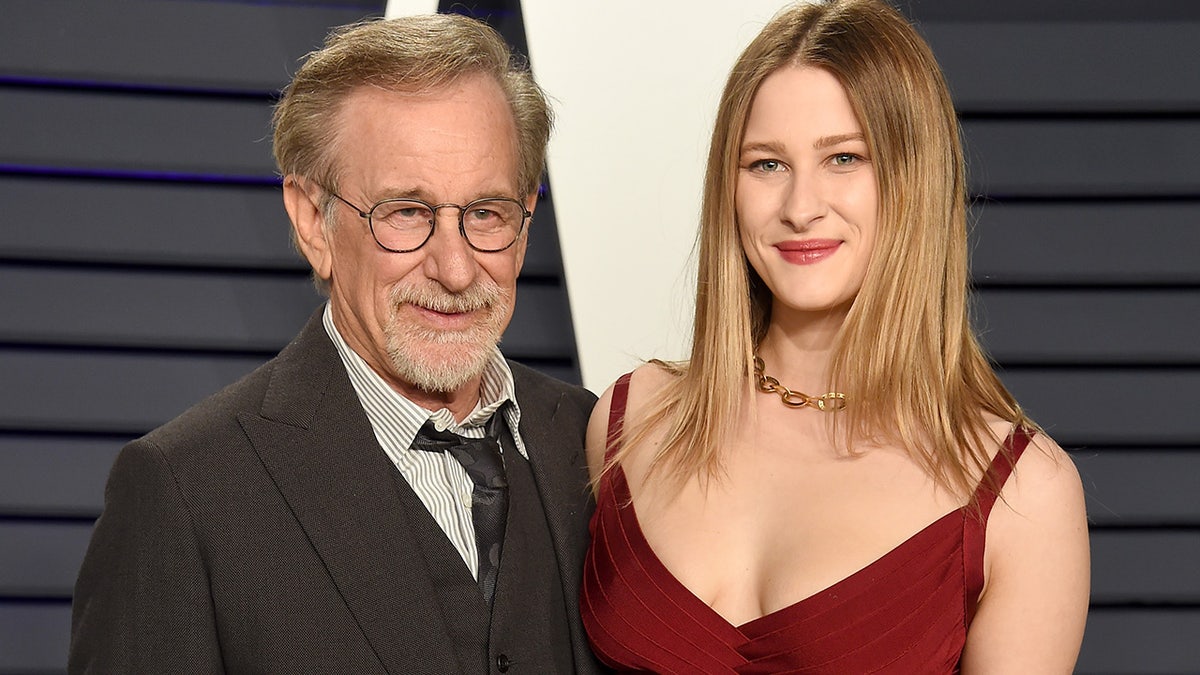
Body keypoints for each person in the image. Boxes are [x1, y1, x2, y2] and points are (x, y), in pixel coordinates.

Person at [69, 14, 603, 675]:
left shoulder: (599, 442)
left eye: (486, 214)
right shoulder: (184, 492)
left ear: (524, 218)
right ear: (312, 222)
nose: (456, 268)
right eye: (406, 212)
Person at [580, 0, 1090, 672]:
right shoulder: (633, 420)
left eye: (844, 158)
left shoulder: (1023, 494)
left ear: (915, 180)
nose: (800, 207)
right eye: (766, 164)